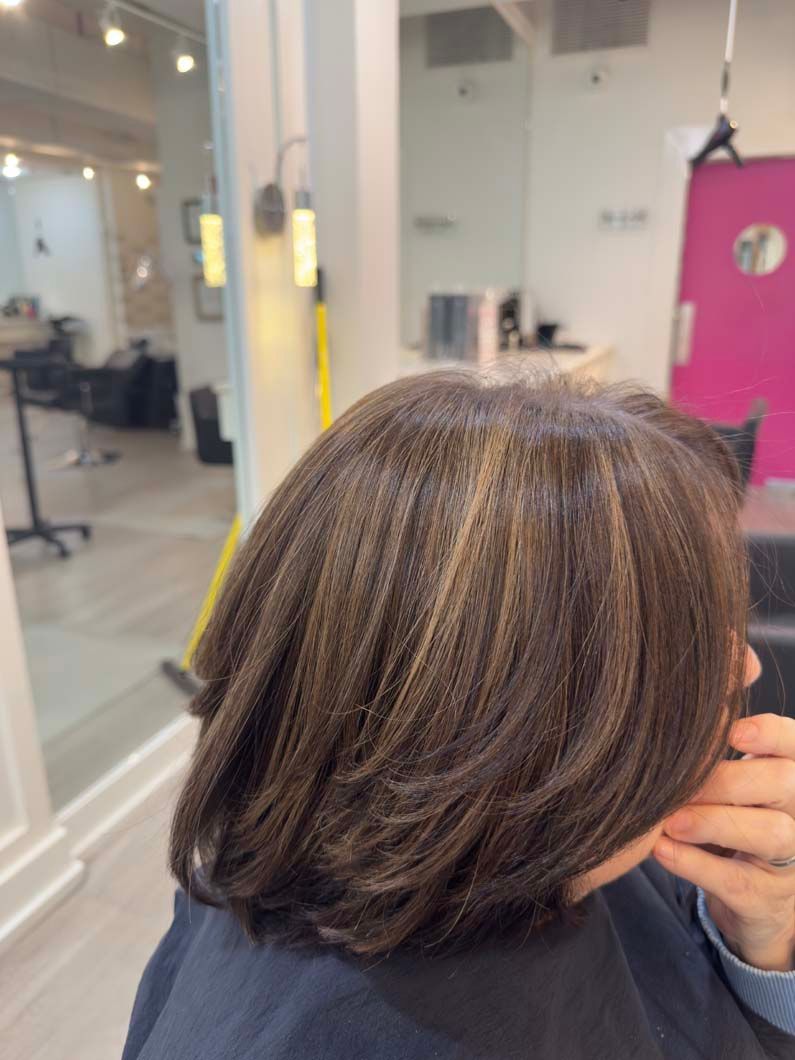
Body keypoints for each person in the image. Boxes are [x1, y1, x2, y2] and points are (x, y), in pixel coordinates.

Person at [124, 371, 795, 1059]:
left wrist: (761, 949)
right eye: (693, 637)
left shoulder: (567, 849)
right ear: (527, 722)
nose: (743, 667)